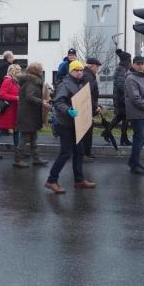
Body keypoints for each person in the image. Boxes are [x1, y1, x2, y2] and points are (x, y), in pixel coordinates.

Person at [45, 60, 95, 193]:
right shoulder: (65, 84)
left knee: (79, 151)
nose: (79, 72)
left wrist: (93, 108)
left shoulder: (80, 83)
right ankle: (51, 181)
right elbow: (58, 102)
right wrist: (68, 110)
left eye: (80, 70)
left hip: (77, 124)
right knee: (66, 153)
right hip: (65, 124)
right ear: (70, 71)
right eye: (76, 70)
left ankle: (79, 180)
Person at [13, 62, 51, 168]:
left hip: (30, 115)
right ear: (36, 71)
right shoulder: (32, 82)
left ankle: (36, 158)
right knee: (24, 138)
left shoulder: (32, 81)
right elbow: (29, 96)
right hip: (27, 115)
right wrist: (42, 102)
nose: (42, 71)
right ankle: (18, 160)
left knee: (33, 138)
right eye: (40, 69)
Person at [0, 64, 22, 159]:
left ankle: (18, 151)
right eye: (19, 70)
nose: (21, 72)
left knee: (16, 130)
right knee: (0, 129)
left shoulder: (15, 81)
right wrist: (16, 98)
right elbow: (2, 95)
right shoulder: (8, 81)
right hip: (7, 111)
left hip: (14, 110)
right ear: (14, 71)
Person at [80, 57, 103, 161]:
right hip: (86, 108)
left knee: (86, 132)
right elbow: (87, 94)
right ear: (91, 65)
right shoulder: (88, 76)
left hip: (87, 107)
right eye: (97, 66)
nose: (97, 69)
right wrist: (95, 106)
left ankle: (86, 153)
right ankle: (84, 154)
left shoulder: (88, 75)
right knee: (86, 133)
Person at [110, 49, 132, 146]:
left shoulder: (122, 69)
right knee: (125, 118)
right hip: (122, 99)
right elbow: (121, 85)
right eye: (129, 60)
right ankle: (123, 139)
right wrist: (129, 92)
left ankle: (108, 133)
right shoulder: (122, 70)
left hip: (121, 98)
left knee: (121, 118)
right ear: (126, 60)